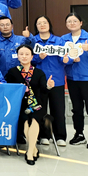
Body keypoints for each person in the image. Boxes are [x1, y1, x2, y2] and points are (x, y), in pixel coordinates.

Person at [5, 44, 56, 165]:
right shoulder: (12, 72)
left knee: (34, 119)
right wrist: (19, 89)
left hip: (37, 105)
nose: (24, 56)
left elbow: (44, 90)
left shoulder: (39, 72)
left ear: (32, 57)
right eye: (21, 54)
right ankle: (34, 149)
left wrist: (49, 86)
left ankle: (29, 151)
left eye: (27, 54)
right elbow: (8, 90)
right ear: (17, 56)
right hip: (20, 105)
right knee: (26, 120)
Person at [26, 16, 69, 146]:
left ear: (49, 24)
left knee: (58, 109)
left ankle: (60, 136)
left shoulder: (59, 40)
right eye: (39, 23)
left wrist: (67, 59)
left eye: (44, 22)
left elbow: (65, 57)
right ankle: (43, 135)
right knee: (40, 109)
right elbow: (28, 59)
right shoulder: (33, 41)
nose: (42, 25)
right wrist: (38, 57)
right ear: (36, 26)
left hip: (57, 80)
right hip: (39, 80)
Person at [62, 13, 88, 150]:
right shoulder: (63, 39)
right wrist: (70, 60)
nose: (72, 23)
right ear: (66, 24)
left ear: (81, 23)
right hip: (72, 78)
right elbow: (61, 58)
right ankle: (79, 134)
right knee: (76, 108)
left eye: (75, 21)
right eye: (69, 21)